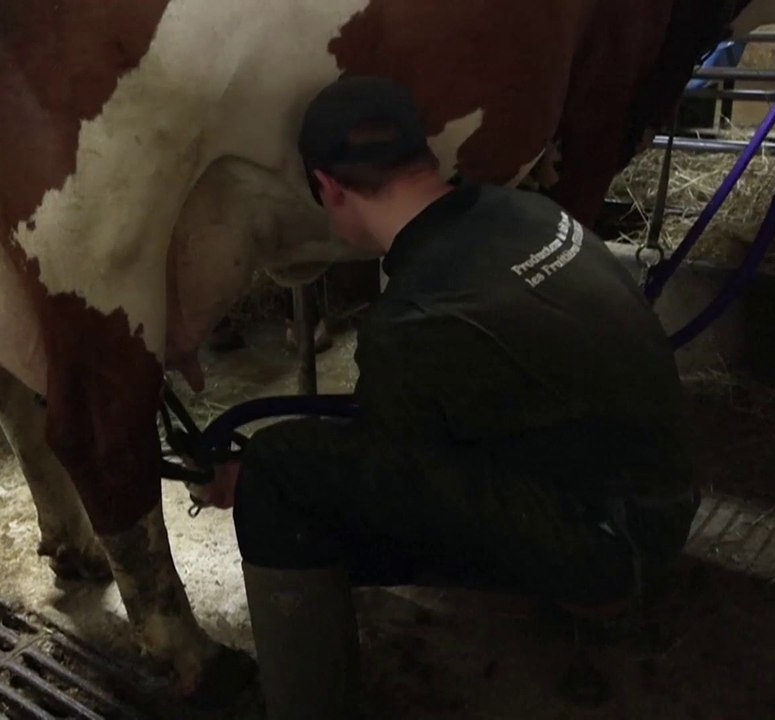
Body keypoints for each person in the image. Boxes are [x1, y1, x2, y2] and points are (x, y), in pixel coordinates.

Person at [195, 75, 700, 719]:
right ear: (424, 155)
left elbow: (391, 482)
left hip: (611, 548)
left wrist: (253, 480)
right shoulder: (529, 213)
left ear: (326, 188)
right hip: (662, 497)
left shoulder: (410, 321)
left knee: (279, 473)